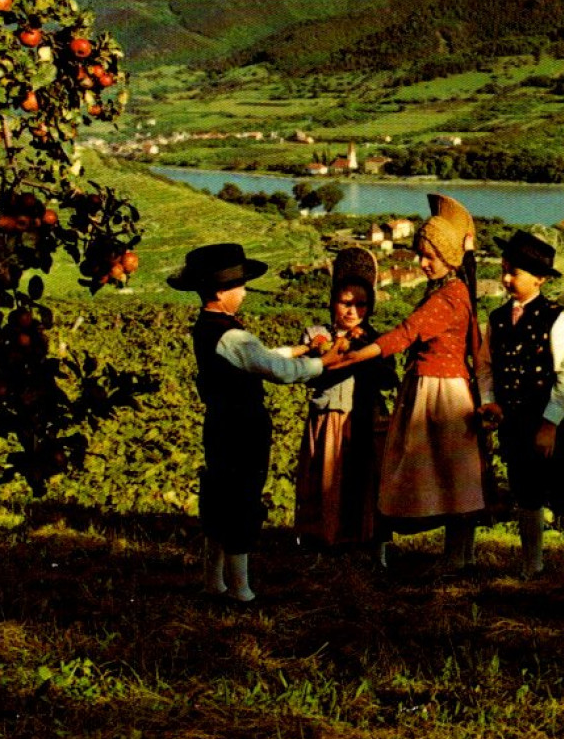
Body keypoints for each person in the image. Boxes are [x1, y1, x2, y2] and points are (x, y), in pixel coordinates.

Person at [168, 242, 348, 602]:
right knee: (243, 499)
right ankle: (241, 589)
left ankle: (214, 581)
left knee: (220, 499)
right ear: (221, 292)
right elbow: (277, 371)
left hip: (220, 423)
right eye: (240, 286)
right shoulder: (232, 334)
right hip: (244, 426)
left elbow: (258, 358)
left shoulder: (210, 328)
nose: (245, 291)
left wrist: (300, 350)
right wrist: (324, 362)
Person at [338, 198, 484, 570]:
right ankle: (460, 555)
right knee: (454, 472)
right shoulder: (452, 291)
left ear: (448, 256)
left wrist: (360, 353)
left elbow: (407, 332)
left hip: (438, 391)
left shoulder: (448, 298)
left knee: (446, 470)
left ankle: (457, 557)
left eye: (428, 256)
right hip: (443, 384)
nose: (421, 264)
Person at [475, 230, 564, 579]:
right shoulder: (497, 320)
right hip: (514, 425)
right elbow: (486, 367)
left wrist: (550, 424)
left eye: (514, 272)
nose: (506, 278)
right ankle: (532, 567)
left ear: (540, 279)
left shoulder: (556, 318)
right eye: (504, 269)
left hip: (550, 427)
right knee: (525, 494)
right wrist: (491, 403)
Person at [293, 246, 396, 550]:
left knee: (365, 480)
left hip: (366, 418)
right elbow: (310, 375)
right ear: (333, 301)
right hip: (330, 417)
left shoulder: (376, 340)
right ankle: (325, 537)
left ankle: (365, 538)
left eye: (361, 305)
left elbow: (388, 379)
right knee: (328, 477)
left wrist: (368, 355)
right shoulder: (315, 336)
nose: (352, 312)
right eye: (345, 303)